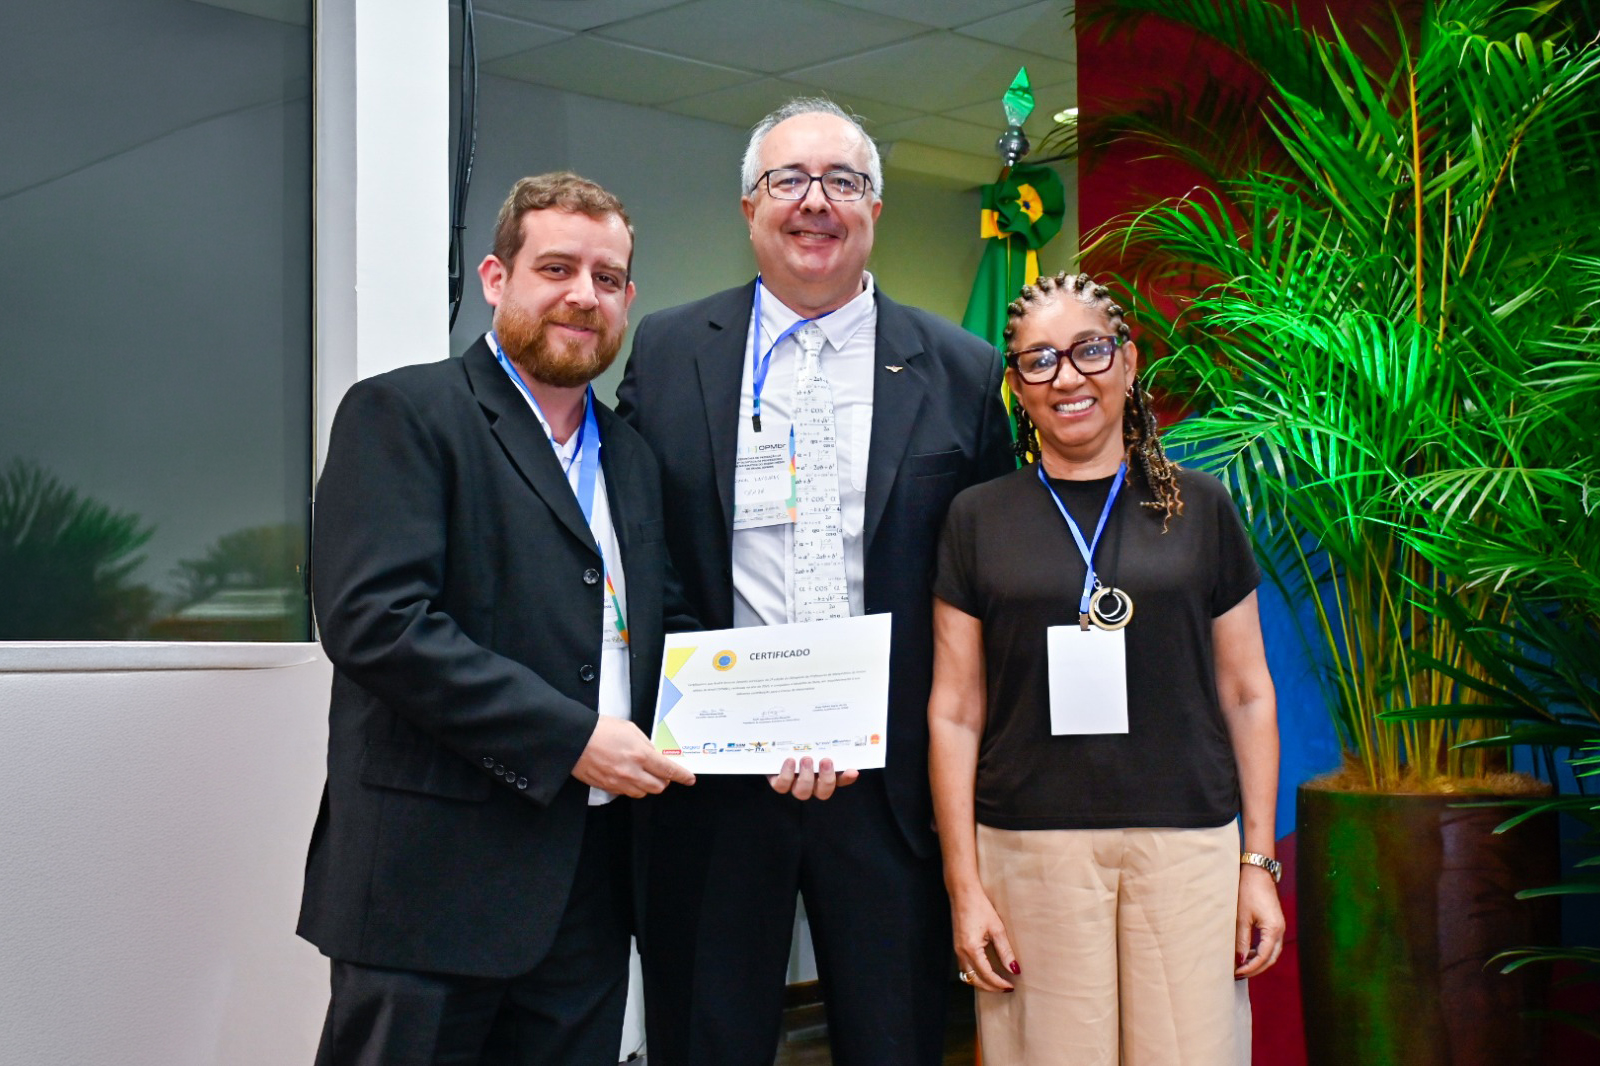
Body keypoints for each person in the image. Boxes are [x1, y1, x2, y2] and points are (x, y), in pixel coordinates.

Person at [616, 98, 1013, 1065]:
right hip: (712, 781)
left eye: (843, 181)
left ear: (874, 207)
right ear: (749, 208)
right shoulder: (667, 350)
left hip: (891, 791)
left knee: (896, 1041)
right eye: (788, 180)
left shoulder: (962, 369)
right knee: (707, 1041)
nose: (815, 202)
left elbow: (982, 584)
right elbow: (643, 550)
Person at [298, 172, 695, 1066]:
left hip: (590, 887)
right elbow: (376, 622)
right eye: (557, 268)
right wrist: (569, 738)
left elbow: (663, 626)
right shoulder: (405, 412)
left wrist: (775, 718)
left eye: (606, 278)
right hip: (429, 888)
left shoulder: (632, 458)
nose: (583, 295)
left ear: (627, 300)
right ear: (495, 277)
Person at [926, 271, 1285, 1066]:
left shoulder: (1201, 506)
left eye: (1089, 350)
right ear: (1017, 387)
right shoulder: (977, 518)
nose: (1068, 378)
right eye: (1039, 361)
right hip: (1029, 849)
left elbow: (1247, 693)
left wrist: (1257, 864)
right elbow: (954, 710)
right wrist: (964, 885)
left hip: (1187, 845)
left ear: (1127, 360)